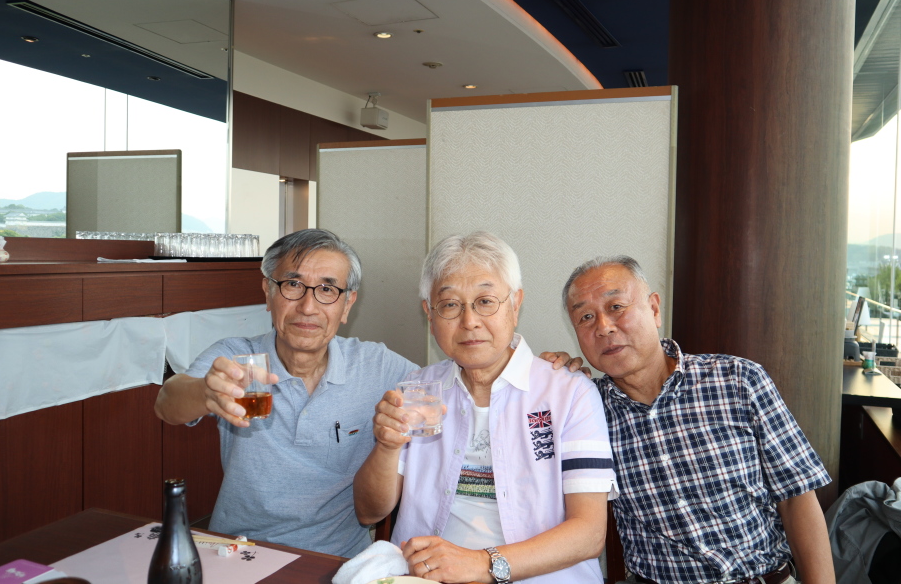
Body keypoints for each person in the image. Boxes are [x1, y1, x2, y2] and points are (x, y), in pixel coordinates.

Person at [354, 232, 618, 583]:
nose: (469, 322)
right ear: (429, 313)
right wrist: (387, 447)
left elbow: (589, 534)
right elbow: (369, 513)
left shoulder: (569, 393)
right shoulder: (417, 390)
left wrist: (482, 563)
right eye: (450, 305)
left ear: (515, 304)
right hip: (424, 576)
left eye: (485, 301)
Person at [556, 255, 835, 584]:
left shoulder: (739, 380)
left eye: (616, 306)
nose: (603, 327)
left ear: (654, 309)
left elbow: (797, 497)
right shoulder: (584, 411)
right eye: (586, 317)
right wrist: (548, 381)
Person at [154, 229, 418, 558]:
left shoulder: (377, 366)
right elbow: (167, 403)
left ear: (347, 304)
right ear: (268, 292)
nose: (307, 307)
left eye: (327, 289)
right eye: (293, 284)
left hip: (337, 560)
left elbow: (443, 389)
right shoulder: (237, 357)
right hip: (239, 551)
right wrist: (205, 392)